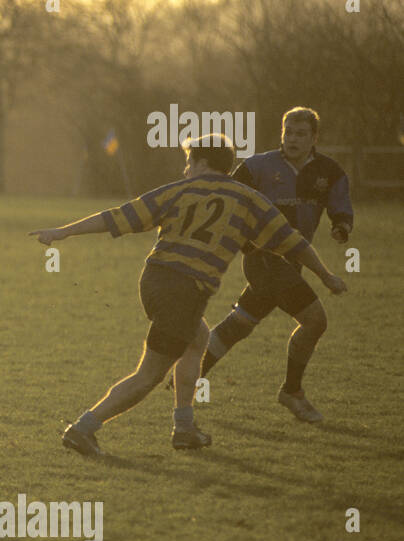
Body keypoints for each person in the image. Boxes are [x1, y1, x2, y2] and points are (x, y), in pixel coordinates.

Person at [29, 133, 347, 457]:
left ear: (202, 163)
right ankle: (83, 428)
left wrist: (64, 231)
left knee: (199, 339)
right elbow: (294, 243)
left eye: (188, 162)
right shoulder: (249, 200)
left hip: (154, 281)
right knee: (150, 374)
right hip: (184, 290)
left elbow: (119, 217)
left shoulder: (178, 190)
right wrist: (327, 276)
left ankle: (184, 428)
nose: (185, 170)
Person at [198, 108, 354, 422]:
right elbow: (228, 202)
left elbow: (340, 203)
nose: (292, 139)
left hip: (292, 263)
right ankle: (292, 392)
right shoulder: (256, 167)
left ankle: (188, 374)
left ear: (314, 138)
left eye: (300, 134)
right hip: (263, 259)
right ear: (281, 133)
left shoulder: (329, 171)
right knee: (315, 321)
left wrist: (341, 226)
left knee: (240, 323)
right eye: (288, 132)